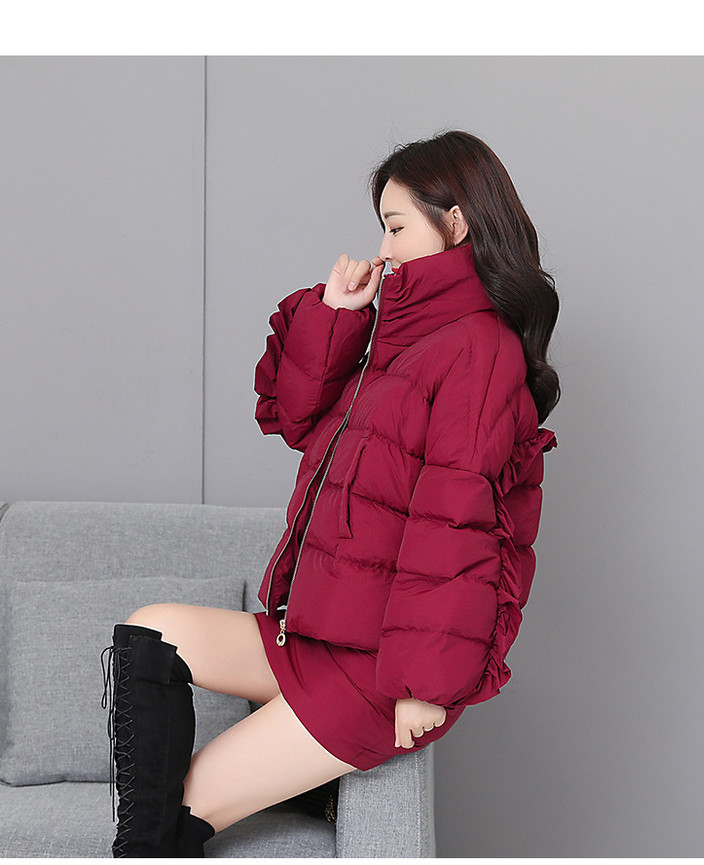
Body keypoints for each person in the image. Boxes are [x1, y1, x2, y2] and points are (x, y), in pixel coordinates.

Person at [100, 129, 560, 857]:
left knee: (169, 816)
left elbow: (455, 525)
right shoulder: (401, 341)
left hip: (379, 674)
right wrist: (340, 316)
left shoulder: (478, 351)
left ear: (456, 224)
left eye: (395, 227)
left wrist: (422, 685)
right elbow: (297, 421)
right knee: (152, 629)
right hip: (314, 636)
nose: (383, 248)